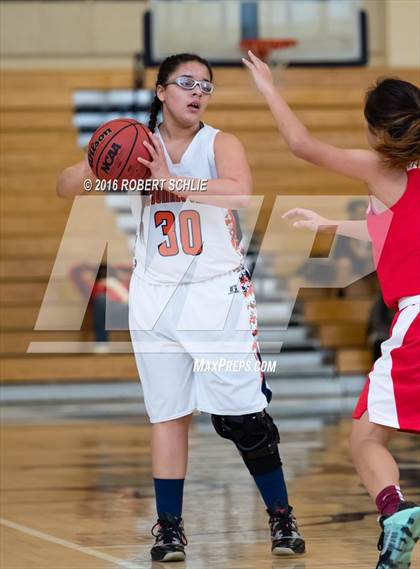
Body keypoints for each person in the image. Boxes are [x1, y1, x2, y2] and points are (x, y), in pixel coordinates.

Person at [56, 52, 305, 562]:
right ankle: (169, 529)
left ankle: (281, 517)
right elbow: (65, 186)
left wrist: (173, 178)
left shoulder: (220, 143)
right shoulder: (134, 147)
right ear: (161, 90)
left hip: (218, 295)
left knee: (245, 418)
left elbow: (239, 193)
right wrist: (100, 166)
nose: (197, 92)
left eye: (206, 86)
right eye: (187, 83)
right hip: (155, 297)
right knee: (168, 416)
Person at [242, 51, 419, 568]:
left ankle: (394, 514)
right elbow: (398, 232)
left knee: (365, 436)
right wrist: (330, 225)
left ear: (376, 132)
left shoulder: (379, 167)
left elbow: (301, 145)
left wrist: (269, 89)